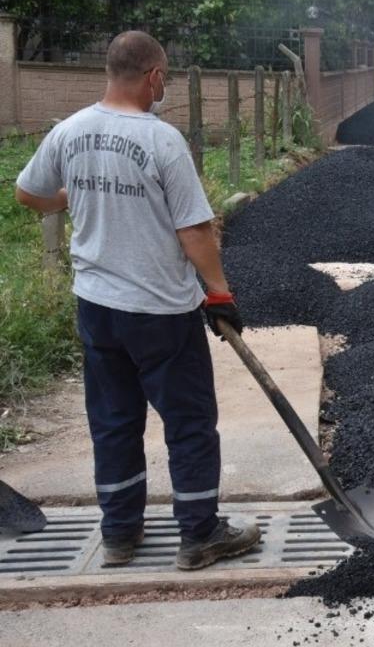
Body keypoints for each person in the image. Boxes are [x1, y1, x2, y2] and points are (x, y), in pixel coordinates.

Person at [15, 31, 261, 571]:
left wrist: (74, 196)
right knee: (190, 423)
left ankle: (120, 534)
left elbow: (27, 193)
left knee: (114, 421)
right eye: (165, 77)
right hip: (160, 313)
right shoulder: (162, 140)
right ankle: (199, 535)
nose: (164, 86)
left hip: (97, 308)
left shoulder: (71, 130)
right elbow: (194, 231)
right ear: (152, 76)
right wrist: (218, 292)